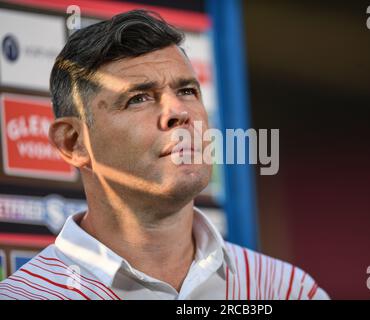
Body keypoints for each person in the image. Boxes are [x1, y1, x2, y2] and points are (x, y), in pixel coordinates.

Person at [0, 10, 328, 300]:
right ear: (73, 143)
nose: (179, 112)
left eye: (187, 91)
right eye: (139, 98)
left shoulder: (286, 289)